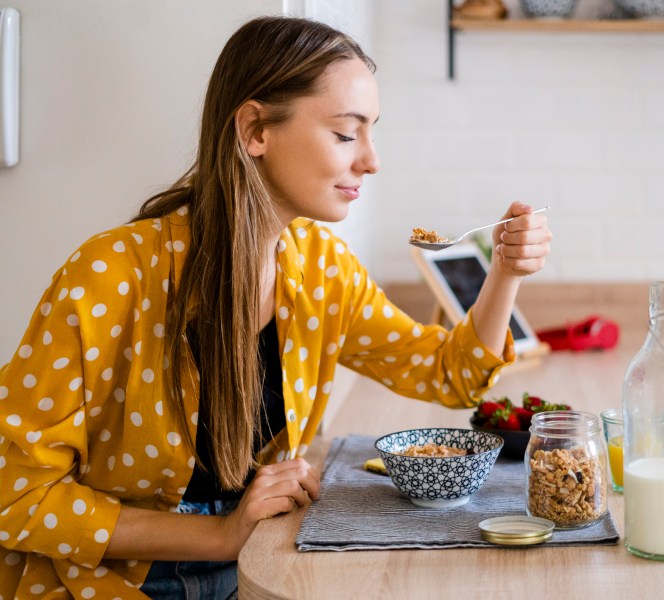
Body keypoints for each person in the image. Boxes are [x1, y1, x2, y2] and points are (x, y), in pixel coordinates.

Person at [0, 15, 551, 599]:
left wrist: (506, 274)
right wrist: (218, 535)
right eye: (346, 134)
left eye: (371, 132)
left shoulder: (322, 269)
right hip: (115, 577)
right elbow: (17, 492)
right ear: (255, 129)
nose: (371, 160)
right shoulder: (110, 275)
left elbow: (451, 373)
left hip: (261, 558)